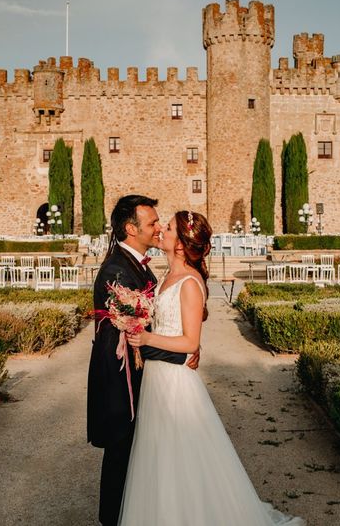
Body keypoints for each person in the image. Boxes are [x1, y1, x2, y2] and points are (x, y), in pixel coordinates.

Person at [120, 210, 304, 525]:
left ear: (180, 245)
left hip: (176, 384)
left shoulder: (190, 283)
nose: (162, 229)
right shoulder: (166, 277)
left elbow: (191, 341)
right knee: (161, 457)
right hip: (157, 379)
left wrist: (147, 336)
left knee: (182, 454)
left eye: (169, 228)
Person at [86, 195, 200, 526]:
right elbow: (129, 339)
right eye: (151, 222)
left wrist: (185, 341)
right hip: (121, 381)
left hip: (141, 377)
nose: (158, 226)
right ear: (130, 228)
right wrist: (180, 353)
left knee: (136, 457)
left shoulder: (136, 264)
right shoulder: (117, 272)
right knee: (120, 454)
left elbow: (154, 325)